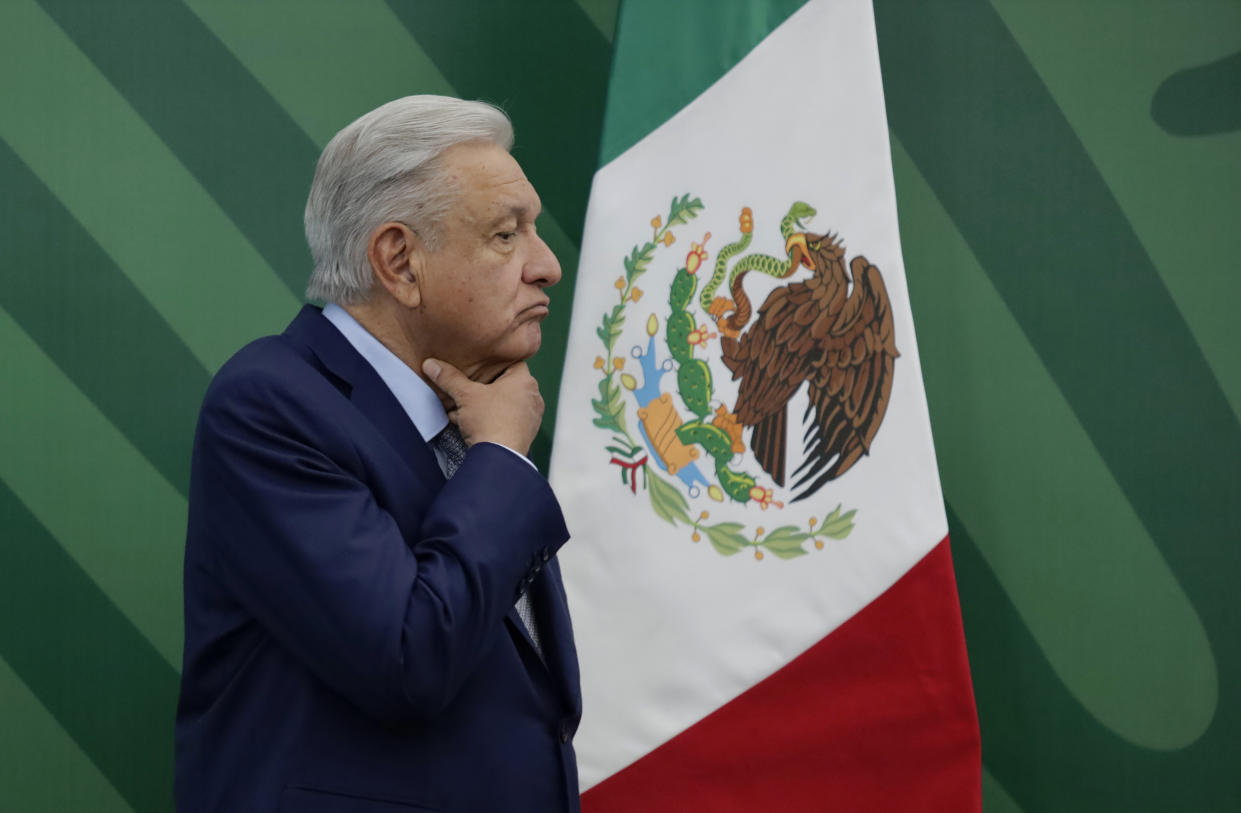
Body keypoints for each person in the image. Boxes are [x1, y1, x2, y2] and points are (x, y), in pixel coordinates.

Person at [175, 96, 580, 812]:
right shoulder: (271, 404)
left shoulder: (472, 413)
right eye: (504, 234)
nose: (545, 265)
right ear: (399, 260)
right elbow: (408, 656)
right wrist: (501, 461)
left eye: (534, 231)